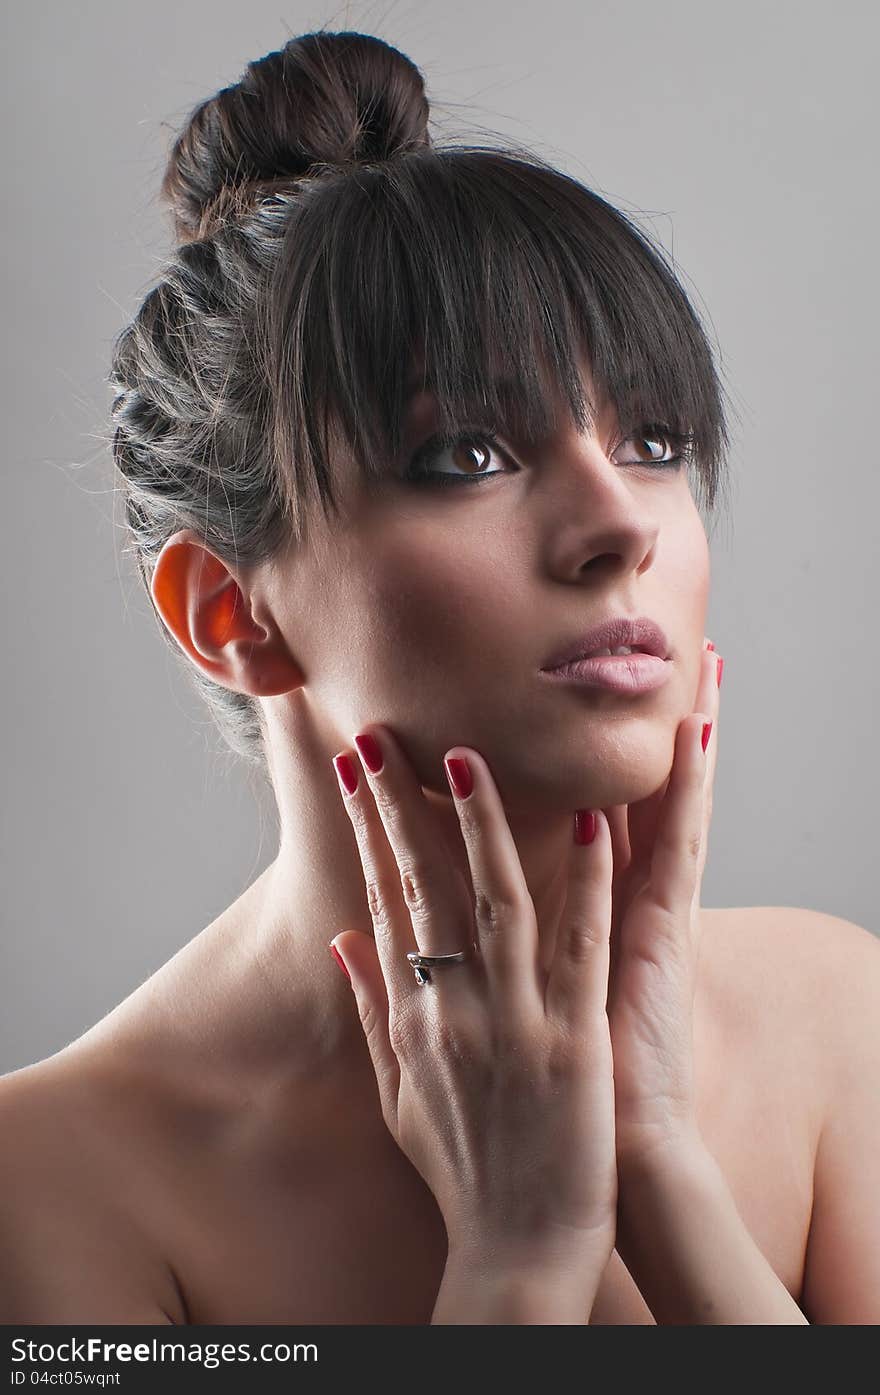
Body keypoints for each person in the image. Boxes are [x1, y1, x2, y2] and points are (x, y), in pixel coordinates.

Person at [2, 28, 878, 1326]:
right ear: (229, 609)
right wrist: (520, 1258)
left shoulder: (836, 1017)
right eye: (465, 454)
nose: (621, 526)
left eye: (652, 438)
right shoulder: (50, 1186)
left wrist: (660, 1165)